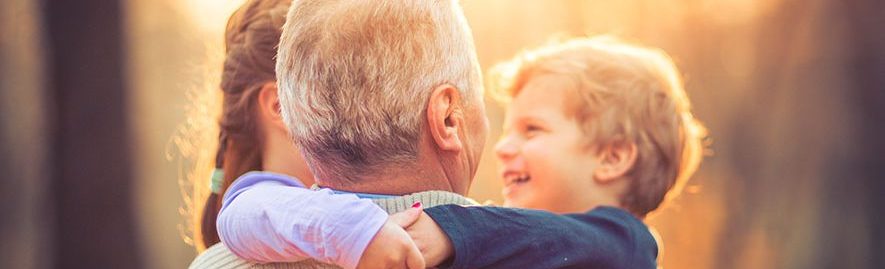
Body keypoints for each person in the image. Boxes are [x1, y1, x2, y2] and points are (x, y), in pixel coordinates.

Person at [215, 37, 706, 269]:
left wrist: (451, 229)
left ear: (613, 158)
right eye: (508, 129)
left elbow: (590, 243)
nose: (505, 147)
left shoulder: (625, 245)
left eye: (533, 130)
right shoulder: (509, 243)